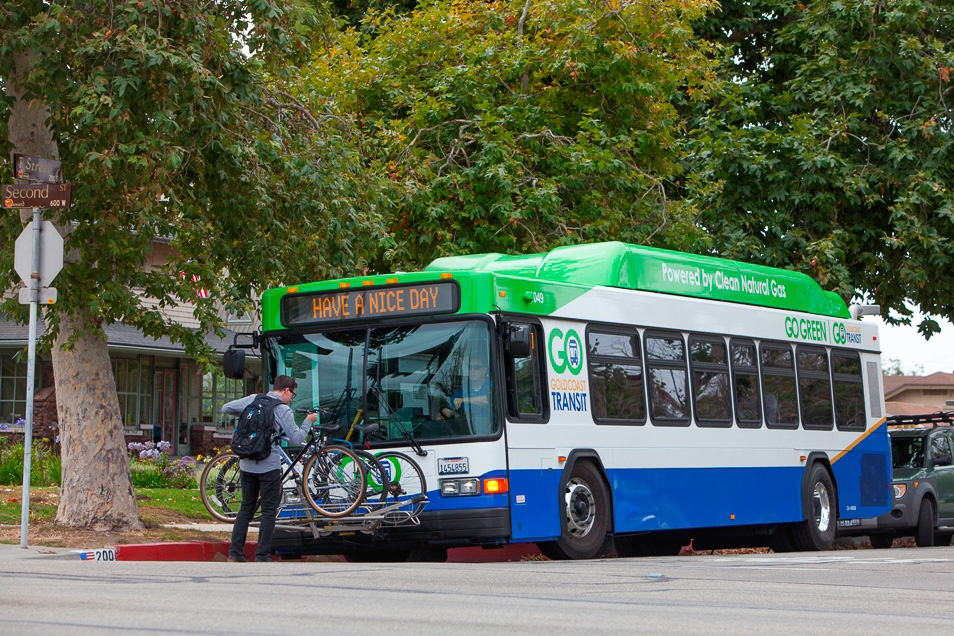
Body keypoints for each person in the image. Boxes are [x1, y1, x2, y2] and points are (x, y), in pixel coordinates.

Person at [221, 375, 317, 562]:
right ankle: (262, 554)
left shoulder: (252, 400)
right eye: (293, 394)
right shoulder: (282, 409)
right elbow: (297, 439)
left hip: (247, 463)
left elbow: (226, 408)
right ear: (286, 390)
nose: (291, 398)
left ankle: (235, 553)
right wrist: (308, 421)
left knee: (246, 509)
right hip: (268, 466)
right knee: (268, 510)